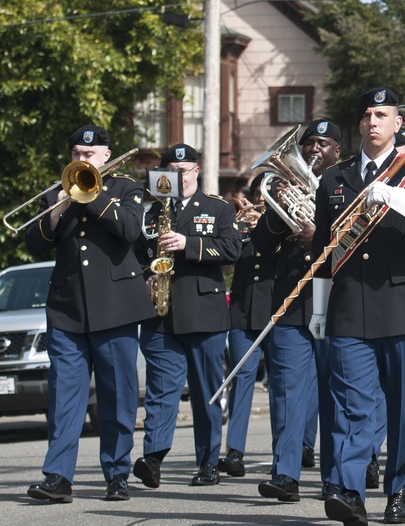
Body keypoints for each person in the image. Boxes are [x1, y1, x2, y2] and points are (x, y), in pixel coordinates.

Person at [310, 88, 405, 526]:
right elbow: (323, 252)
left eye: (383, 115)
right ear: (359, 125)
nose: (373, 121)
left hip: (404, 305)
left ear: (399, 124)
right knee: (352, 406)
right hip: (348, 308)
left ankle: (398, 490)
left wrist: (393, 196)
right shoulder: (334, 180)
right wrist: (319, 311)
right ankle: (350, 491)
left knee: (402, 408)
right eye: (367, 115)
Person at [24, 125, 156, 503]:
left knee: (117, 395)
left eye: (89, 153)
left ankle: (116, 474)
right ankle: (58, 477)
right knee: (64, 396)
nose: (82, 159)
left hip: (115, 306)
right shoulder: (56, 191)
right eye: (77, 154)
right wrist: (61, 206)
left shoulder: (126, 188)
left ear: (105, 154)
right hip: (68, 309)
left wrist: (91, 194)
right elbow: (34, 244)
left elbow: (131, 230)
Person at [133, 144, 242, 489]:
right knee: (161, 391)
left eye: (184, 170)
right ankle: (153, 457)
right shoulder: (149, 213)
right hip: (159, 314)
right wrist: (144, 274)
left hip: (203, 314)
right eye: (171, 171)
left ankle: (208, 462)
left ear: (196, 171)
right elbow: (132, 256)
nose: (178, 176)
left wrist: (189, 243)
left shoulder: (218, 207)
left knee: (205, 391)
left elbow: (232, 248)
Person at [251, 119, 342, 502]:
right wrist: (277, 209)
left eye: (323, 143)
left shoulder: (347, 183)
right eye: (308, 144)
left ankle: (337, 477)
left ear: (337, 151)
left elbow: (363, 236)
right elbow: (260, 245)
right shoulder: (284, 187)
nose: (313, 149)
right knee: (287, 393)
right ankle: (285, 475)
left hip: (336, 300)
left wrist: (320, 234)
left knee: (337, 393)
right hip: (292, 303)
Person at [219, 172, 275, 479]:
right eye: (257, 195)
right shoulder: (240, 224)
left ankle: (295, 449)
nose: (259, 201)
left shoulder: (284, 223)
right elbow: (228, 255)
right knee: (241, 380)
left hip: (276, 312)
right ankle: (234, 452)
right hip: (243, 311)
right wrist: (236, 222)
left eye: (266, 195)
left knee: (283, 385)